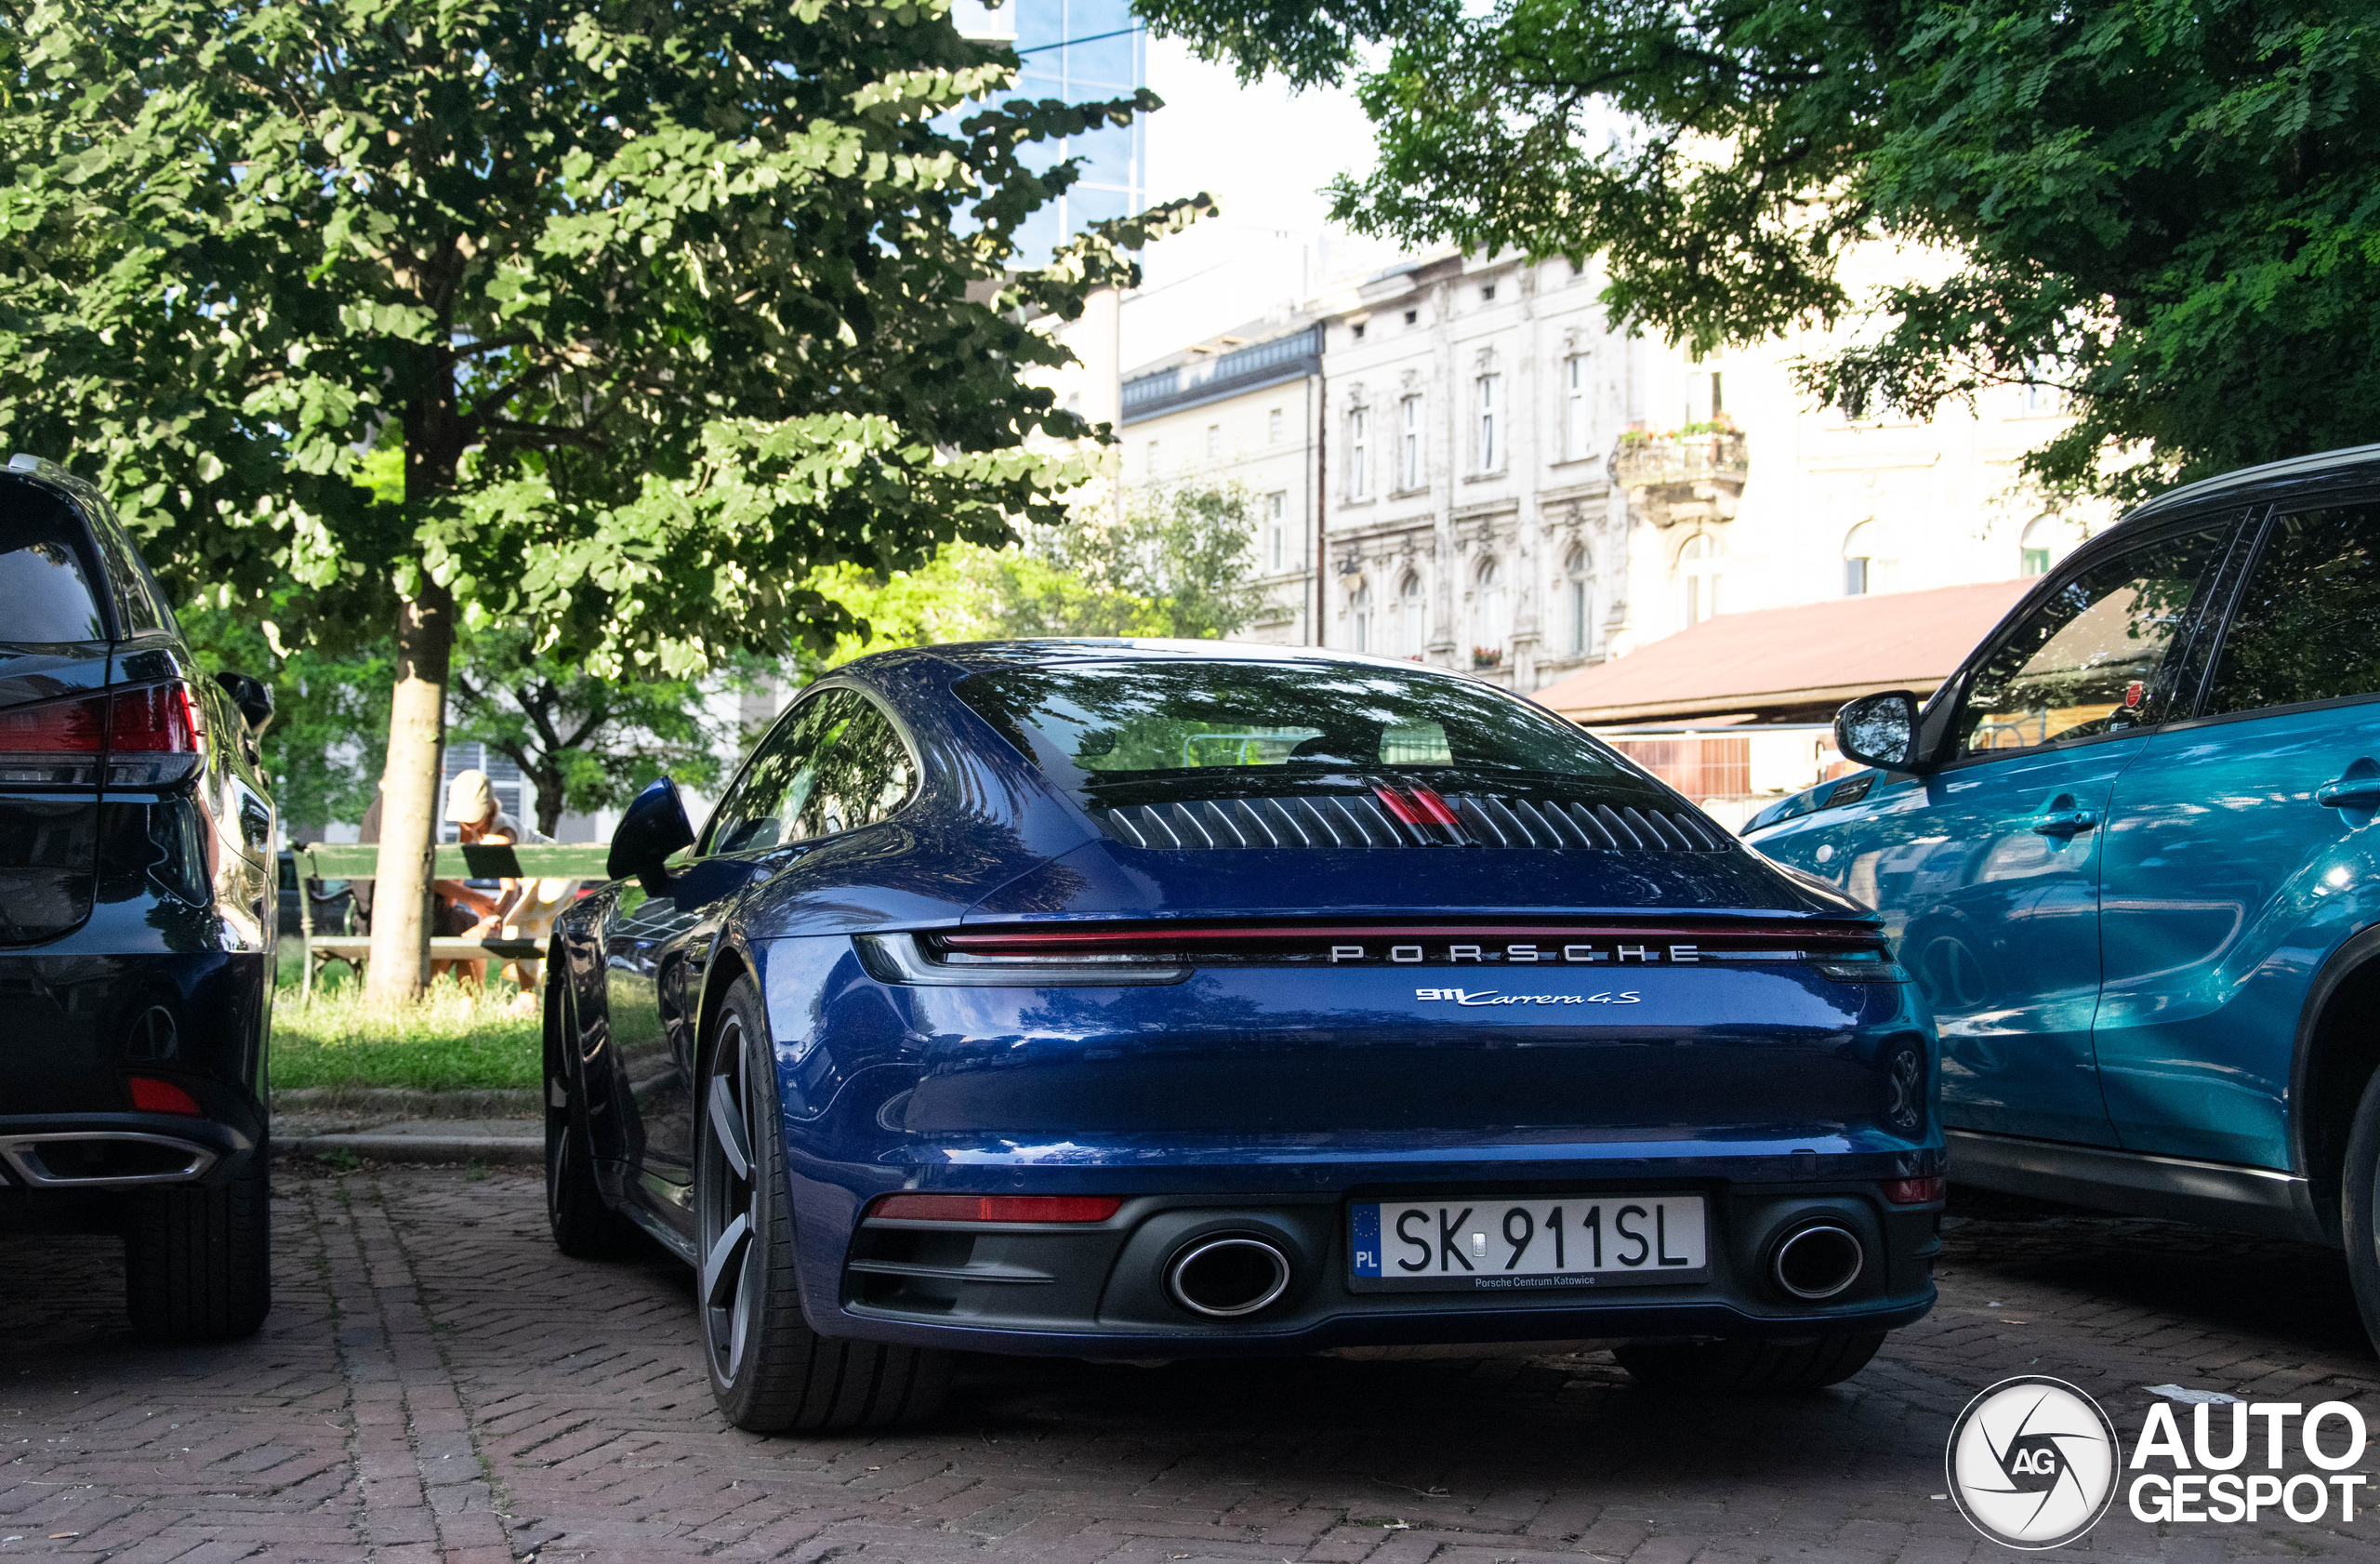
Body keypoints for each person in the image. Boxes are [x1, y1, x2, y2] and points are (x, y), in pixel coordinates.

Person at [432, 768, 576, 1008]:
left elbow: (510, 890)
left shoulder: (502, 834)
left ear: (489, 808)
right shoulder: (467, 824)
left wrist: (490, 921)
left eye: (472, 817)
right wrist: (457, 898)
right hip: (532, 878)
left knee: (518, 927)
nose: (467, 823)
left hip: (554, 875)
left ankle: (528, 996)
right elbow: (462, 859)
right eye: (463, 818)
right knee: (517, 927)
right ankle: (530, 995)